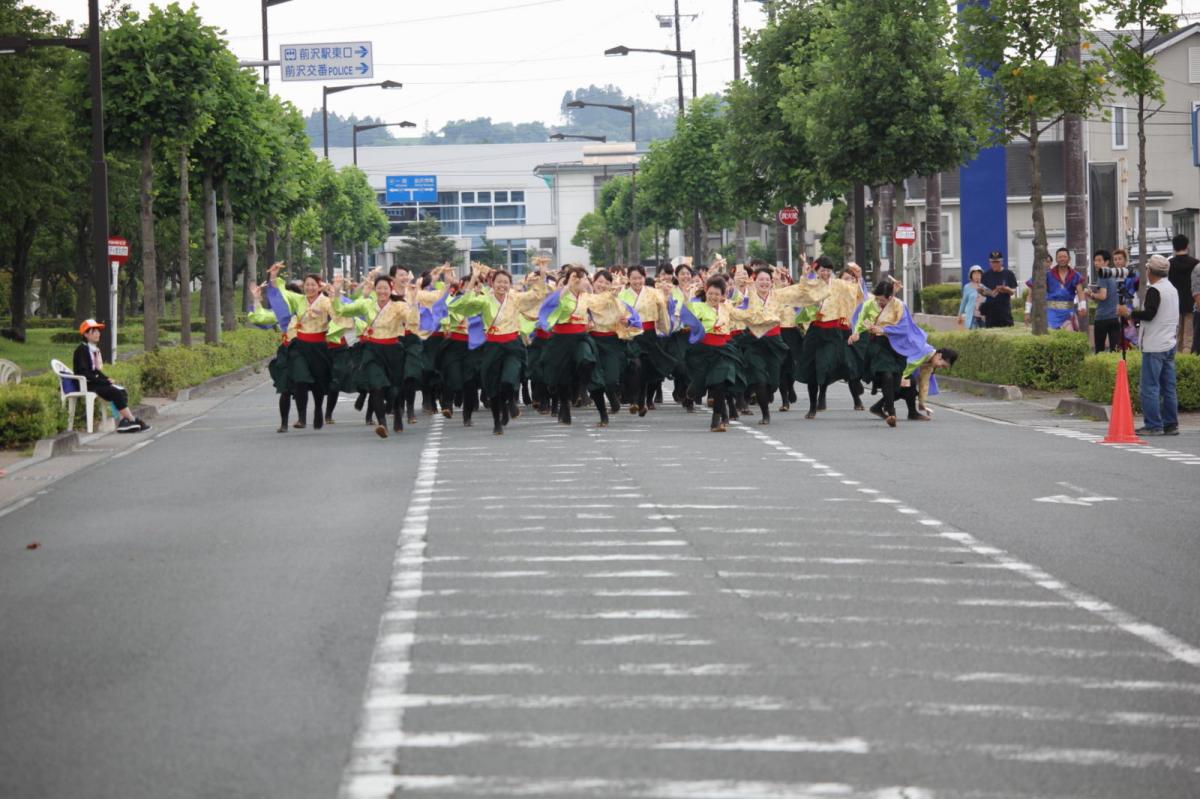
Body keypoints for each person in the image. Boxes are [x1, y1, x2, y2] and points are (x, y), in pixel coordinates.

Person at [1118, 254, 1179, 436]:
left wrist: (1128, 313)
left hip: (1154, 344)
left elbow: (1150, 314)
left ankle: (1153, 425)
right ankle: (1171, 423)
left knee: (1150, 387)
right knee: (1168, 387)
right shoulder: (1172, 289)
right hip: (1169, 342)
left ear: (1151, 271)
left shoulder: (1155, 290)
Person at [71, 320, 149, 433]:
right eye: (94, 331)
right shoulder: (81, 350)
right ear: (85, 334)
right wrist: (103, 382)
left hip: (93, 383)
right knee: (115, 392)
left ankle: (124, 423)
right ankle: (133, 420)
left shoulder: (92, 349)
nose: (98, 334)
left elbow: (95, 370)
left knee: (121, 391)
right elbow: (84, 373)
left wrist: (106, 379)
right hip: (86, 385)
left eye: (98, 331)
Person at [1028, 247, 1084, 330]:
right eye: (1060, 257)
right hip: (1051, 313)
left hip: (1068, 313)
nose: (1062, 259)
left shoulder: (1076, 275)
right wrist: (1027, 311)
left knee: (1070, 336)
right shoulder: (1047, 274)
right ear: (1056, 259)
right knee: (1051, 337)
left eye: (1065, 256)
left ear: (1069, 259)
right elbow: (1031, 292)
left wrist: (1082, 307)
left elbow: (1080, 292)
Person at [1086, 249, 1121, 353]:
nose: (1096, 263)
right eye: (1095, 260)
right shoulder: (1114, 274)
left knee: (1099, 350)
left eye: (1099, 260)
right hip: (1115, 317)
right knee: (1115, 350)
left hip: (1102, 318)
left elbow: (1102, 296)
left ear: (1106, 262)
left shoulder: (1102, 275)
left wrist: (1091, 294)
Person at [1168, 234, 1197, 354]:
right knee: (1189, 335)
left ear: (1174, 248)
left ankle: (1177, 358)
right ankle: (1188, 359)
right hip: (1192, 302)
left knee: (1177, 334)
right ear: (1187, 246)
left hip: (1174, 303)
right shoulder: (1195, 263)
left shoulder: (1169, 264)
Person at [980, 251, 1017, 327]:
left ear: (1002, 262)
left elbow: (1013, 291)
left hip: (1004, 310)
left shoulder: (1009, 274)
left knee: (1007, 331)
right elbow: (983, 291)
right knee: (991, 333)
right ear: (990, 262)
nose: (995, 264)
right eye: (993, 262)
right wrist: (981, 291)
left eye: (997, 262)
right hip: (990, 311)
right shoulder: (985, 275)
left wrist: (1007, 289)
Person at [956, 265, 986, 329]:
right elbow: (963, 302)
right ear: (971, 275)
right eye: (975, 274)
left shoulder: (984, 287)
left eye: (979, 274)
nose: (977, 276)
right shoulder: (967, 287)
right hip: (972, 317)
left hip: (982, 317)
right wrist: (959, 315)